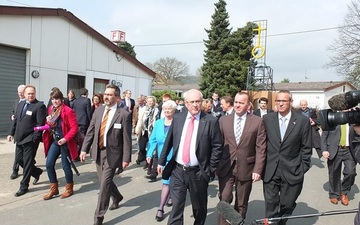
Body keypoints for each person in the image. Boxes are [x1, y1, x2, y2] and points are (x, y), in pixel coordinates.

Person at [157, 89, 223, 225]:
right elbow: (169, 141)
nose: (195, 105)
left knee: (199, 209)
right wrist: (161, 161)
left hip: (198, 173)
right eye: (191, 102)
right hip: (178, 171)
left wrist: (210, 169)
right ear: (186, 104)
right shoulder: (178, 118)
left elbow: (217, 147)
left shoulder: (210, 121)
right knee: (176, 208)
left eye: (198, 101)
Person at [79, 84, 132, 225]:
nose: (106, 96)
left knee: (103, 186)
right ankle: (118, 197)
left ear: (117, 97)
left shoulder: (124, 115)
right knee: (104, 181)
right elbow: (90, 131)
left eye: (110, 94)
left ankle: (98, 217)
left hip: (113, 154)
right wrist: (84, 149)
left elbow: (127, 139)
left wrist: (126, 158)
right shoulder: (98, 111)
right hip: (97, 152)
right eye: (105, 94)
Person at [262, 90, 312, 225]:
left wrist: (302, 167)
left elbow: (306, 147)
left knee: (287, 204)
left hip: (292, 170)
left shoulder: (302, 121)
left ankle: (282, 221)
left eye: (284, 101)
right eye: (278, 101)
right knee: (271, 204)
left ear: (290, 102)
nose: (280, 104)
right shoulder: (267, 119)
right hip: (271, 169)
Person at [217, 92, 266, 222]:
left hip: (246, 167)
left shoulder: (257, 121)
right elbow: (218, 144)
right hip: (226, 166)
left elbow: (260, 148)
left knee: (241, 203)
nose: (238, 105)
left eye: (241, 103)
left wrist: (257, 170)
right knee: (224, 200)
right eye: (236, 102)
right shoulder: (223, 120)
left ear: (248, 105)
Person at [7, 84, 46, 197]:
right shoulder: (20, 105)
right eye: (28, 93)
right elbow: (16, 121)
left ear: (35, 94)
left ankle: (24, 186)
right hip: (19, 138)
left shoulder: (39, 106)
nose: (30, 95)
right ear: (24, 94)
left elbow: (40, 125)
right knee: (19, 160)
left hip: (30, 140)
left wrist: (35, 138)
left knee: (27, 163)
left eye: (32, 93)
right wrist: (11, 133)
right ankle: (36, 172)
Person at [42, 89, 79, 200]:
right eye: (53, 99)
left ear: (61, 99)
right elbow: (50, 126)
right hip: (55, 140)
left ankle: (69, 188)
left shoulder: (68, 111)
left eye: (57, 99)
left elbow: (74, 128)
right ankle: (54, 188)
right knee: (49, 164)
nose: (54, 101)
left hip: (65, 142)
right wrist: (48, 122)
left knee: (65, 166)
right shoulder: (51, 109)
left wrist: (65, 138)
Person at [146, 100, 177, 222]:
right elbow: (152, 140)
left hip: (175, 158)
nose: (167, 110)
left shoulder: (178, 123)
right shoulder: (158, 123)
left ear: (174, 110)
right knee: (165, 182)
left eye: (170, 108)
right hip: (162, 158)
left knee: (171, 182)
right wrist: (149, 154)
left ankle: (166, 202)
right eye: (165, 108)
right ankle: (162, 206)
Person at [321, 123, 357, 205]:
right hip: (334, 149)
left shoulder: (352, 119)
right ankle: (334, 194)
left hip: (349, 150)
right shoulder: (332, 118)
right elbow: (324, 135)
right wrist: (324, 150)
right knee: (334, 173)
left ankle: (344, 192)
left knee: (351, 172)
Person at [135, 96, 158, 166]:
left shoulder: (156, 110)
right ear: (146, 102)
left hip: (151, 131)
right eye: (149, 101)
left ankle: (148, 163)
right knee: (141, 147)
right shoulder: (144, 109)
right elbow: (140, 120)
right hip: (143, 130)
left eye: (151, 101)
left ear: (154, 102)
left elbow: (156, 120)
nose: (150, 102)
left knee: (150, 147)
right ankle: (145, 157)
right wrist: (137, 129)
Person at [9, 84, 26, 179]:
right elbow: (13, 112)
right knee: (18, 153)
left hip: (26, 132)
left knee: (25, 154)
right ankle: (15, 170)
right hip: (17, 131)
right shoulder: (16, 102)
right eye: (19, 92)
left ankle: (28, 168)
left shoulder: (29, 103)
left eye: (22, 92)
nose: (20, 94)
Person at [72, 87, 92, 153]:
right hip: (84, 121)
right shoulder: (87, 100)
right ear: (86, 93)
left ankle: (76, 151)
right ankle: (79, 151)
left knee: (77, 137)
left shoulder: (76, 100)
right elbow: (88, 112)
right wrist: (90, 121)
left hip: (76, 121)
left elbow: (73, 111)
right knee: (82, 137)